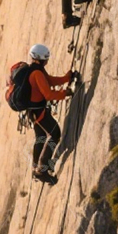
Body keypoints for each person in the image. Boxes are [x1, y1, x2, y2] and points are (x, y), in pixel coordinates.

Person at [27, 43, 78, 184]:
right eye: (46, 59)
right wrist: (65, 93)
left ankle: (35, 168)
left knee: (41, 137)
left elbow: (49, 81)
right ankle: (42, 171)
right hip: (39, 111)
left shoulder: (36, 70)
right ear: (40, 59)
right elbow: (48, 94)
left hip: (33, 111)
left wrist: (66, 78)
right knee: (55, 134)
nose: (47, 62)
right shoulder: (37, 73)